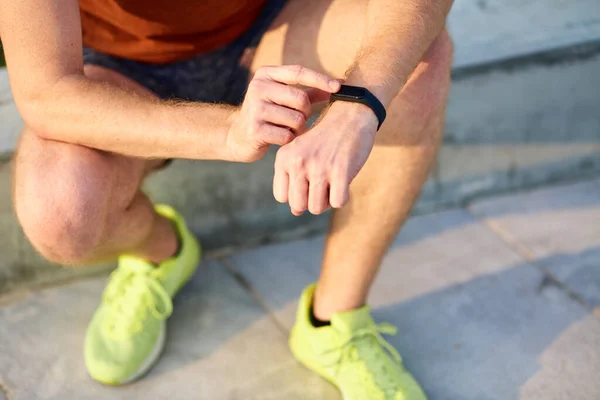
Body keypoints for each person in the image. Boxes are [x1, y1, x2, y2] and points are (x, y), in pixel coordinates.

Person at [0, 0, 453, 397]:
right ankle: (161, 254)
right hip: (118, 64)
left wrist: (359, 102)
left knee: (415, 60)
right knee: (58, 209)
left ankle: (332, 322)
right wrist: (226, 133)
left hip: (272, 28)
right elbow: (48, 94)